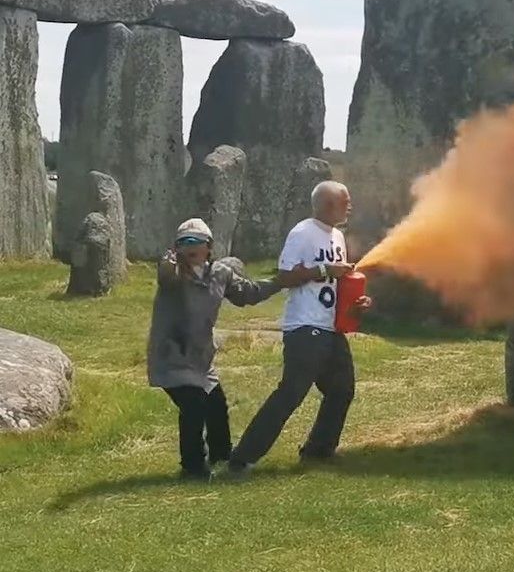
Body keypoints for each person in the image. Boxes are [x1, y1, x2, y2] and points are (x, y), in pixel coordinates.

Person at [146, 218, 314, 481]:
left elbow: (249, 294)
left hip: (200, 358)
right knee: (193, 407)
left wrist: (284, 280)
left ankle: (222, 456)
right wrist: (168, 263)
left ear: (208, 247)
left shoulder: (220, 274)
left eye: (195, 241)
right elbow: (166, 274)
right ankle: (192, 468)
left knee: (216, 405)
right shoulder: (173, 272)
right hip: (172, 355)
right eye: (183, 242)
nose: (189, 246)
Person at [225, 182, 372, 479]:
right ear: (328, 204)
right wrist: (323, 271)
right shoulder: (302, 233)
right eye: (346, 201)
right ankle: (242, 459)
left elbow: (334, 285)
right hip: (305, 328)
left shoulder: (338, 236)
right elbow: (284, 277)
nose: (350, 206)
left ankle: (318, 452)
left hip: (331, 328)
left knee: (342, 389)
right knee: (291, 393)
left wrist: (356, 303)